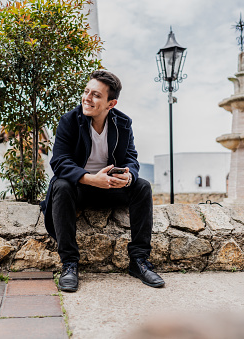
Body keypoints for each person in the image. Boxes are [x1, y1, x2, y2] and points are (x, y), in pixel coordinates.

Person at [40, 70, 164, 292]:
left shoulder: (123, 123)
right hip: (79, 188)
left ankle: (139, 261)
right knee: (61, 184)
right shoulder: (69, 120)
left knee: (142, 186)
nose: (87, 98)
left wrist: (128, 177)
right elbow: (59, 162)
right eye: (86, 92)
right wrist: (90, 179)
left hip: (110, 188)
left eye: (96, 95)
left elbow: (131, 158)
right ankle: (69, 263)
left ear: (111, 103)